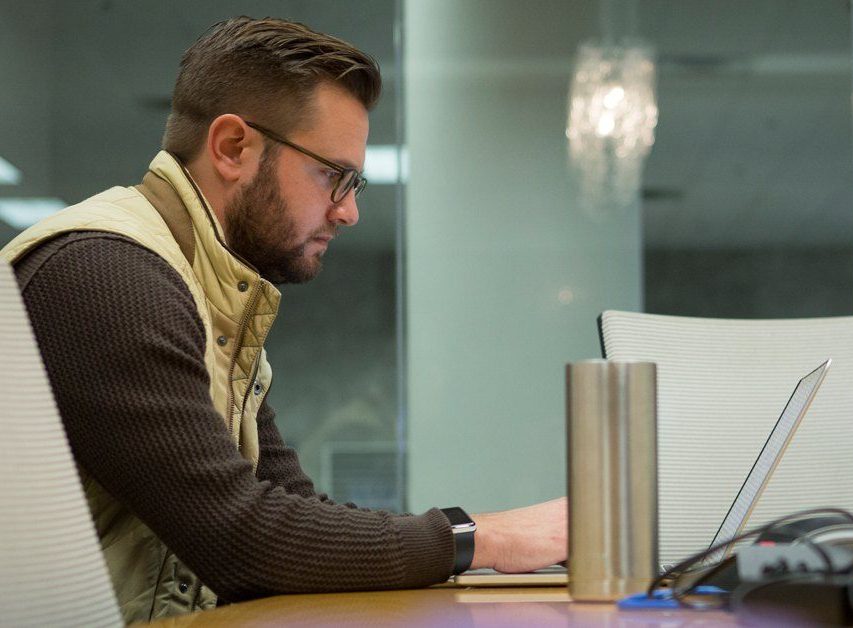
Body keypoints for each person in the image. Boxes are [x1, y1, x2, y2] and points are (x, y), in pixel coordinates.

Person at [0, 16, 566, 624]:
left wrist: (467, 544)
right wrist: (482, 538)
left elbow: (287, 510)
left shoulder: (212, 291)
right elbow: (240, 539)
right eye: (333, 176)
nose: (347, 211)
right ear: (232, 148)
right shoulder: (104, 273)